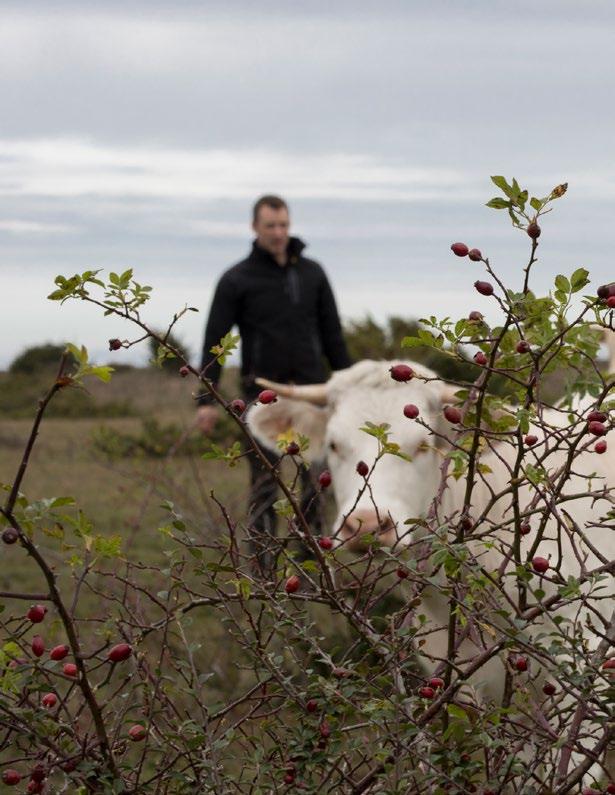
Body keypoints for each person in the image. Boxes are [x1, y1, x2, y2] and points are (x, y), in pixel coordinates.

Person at [196, 195, 351, 574]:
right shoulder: (237, 279)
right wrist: (205, 399)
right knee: (265, 487)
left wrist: (348, 386)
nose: (279, 233)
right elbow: (215, 338)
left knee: (316, 483)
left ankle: (310, 566)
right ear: (255, 228)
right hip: (262, 396)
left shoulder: (313, 273)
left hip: (313, 395)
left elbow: (332, 335)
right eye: (271, 226)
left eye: (284, 225)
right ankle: (263, 571)